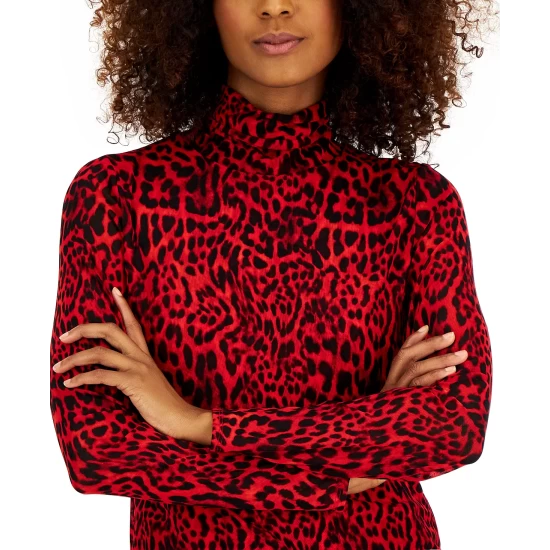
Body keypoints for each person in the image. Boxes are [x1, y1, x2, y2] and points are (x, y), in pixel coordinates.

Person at [50, 0, 494, 548]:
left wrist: (194, 423)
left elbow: (453, 427)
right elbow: (96, 452)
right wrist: (362, 457)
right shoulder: (115, 197)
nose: (275, 6)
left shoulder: (415, 205)